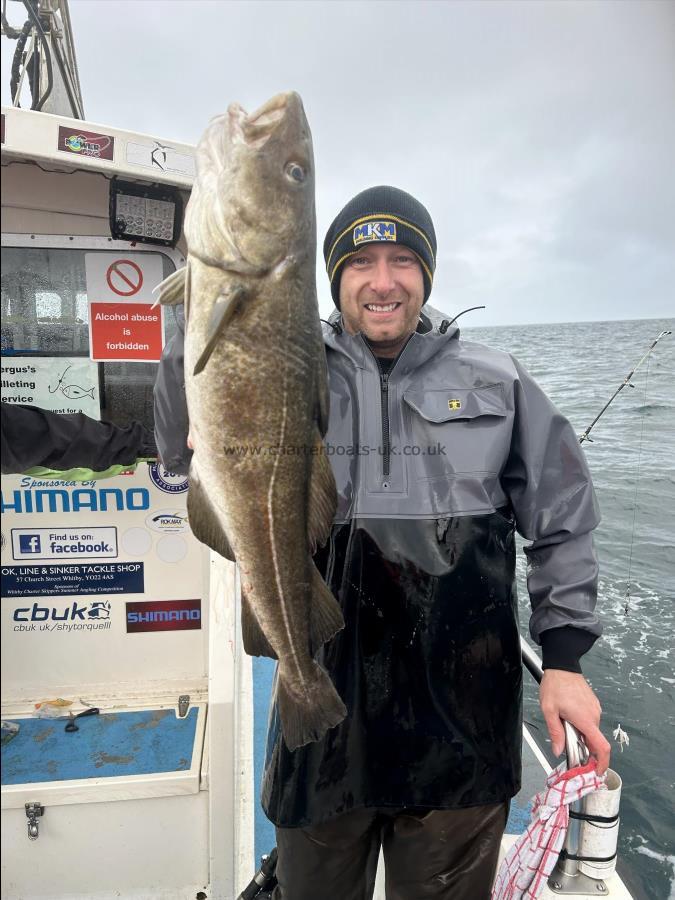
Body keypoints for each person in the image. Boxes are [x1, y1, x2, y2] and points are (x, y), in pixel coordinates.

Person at [154, 186, 610, 900]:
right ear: (333, 278)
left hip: (464, 711)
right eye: (360, 261)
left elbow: (563, 518)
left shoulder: (499, 379)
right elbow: (181, 443)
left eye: (402, 259)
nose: (382, 280)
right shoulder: (281, 368)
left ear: (426, 274)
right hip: (323, 697)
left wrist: (563, 661)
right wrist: (199, 304)